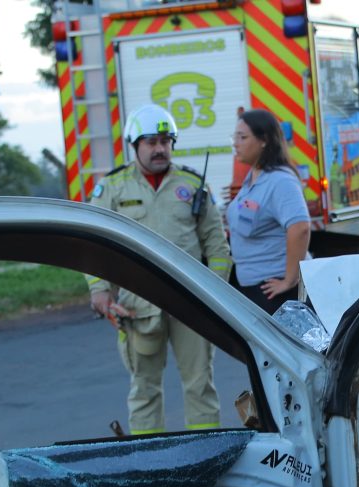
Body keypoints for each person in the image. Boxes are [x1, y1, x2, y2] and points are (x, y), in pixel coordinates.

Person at [87, 104, 232, 435]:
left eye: (165, 141)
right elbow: (94, 246)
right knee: (144, 389)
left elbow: (217, 246)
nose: (159, 149)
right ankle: (149, 459)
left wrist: (215, 294)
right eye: (150, 142)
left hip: (191, 303)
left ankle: (204, 450)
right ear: (134, 145)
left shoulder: (193, 185)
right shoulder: (112, 188)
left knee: (200, 385)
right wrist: (99, 289)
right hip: (138, 306)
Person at [227, 109, 311, 314]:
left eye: (243, 137)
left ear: (264, 140)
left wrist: (289, 280)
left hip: (275, 293)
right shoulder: (254, 177)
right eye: (234, 137)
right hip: (254, 288)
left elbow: (300, 227)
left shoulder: (280, 180)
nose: (236, 143)